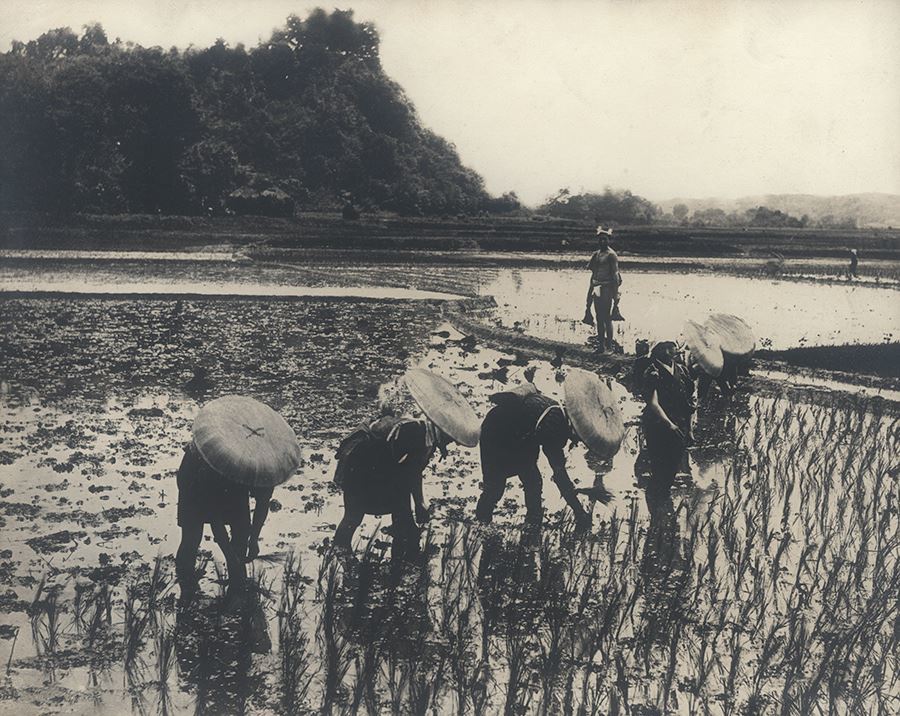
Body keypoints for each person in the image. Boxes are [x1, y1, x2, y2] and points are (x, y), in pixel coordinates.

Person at [333, 414, 450, 561]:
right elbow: (411, 472)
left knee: (404, 521)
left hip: (384, 470)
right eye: (451, 438)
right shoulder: (416, 434)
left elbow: (413, 471)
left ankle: (400, 561)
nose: (453, 443)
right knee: (353, 517)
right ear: (443, 431)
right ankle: (340, 553)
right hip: (360, 467)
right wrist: (419, 504)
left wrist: (419, 503)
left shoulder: (428, 436)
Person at [476, 384, 591, 529]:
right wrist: (579, 512)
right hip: (496, 432)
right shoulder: (553, 426)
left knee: (533, 481)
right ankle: (481, 526)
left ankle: (533, 524)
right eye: (578, 438)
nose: (577, 441)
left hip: (520, 436)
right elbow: (559, 474)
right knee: (495, 486)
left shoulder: (557, 409)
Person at [175, 442, 274, 601]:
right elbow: (214, 513)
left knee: (240, 544)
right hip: (193, 477)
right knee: (191, 538)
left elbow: (262, 504)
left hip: (233, 486)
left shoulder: (267, 468)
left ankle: (237, 590)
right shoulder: (223, 460)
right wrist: (229, 554)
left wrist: (253, 540)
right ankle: (186, 586)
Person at [640, 341, 696, 492]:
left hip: (679, 424)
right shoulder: (652, 372)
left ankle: (662, 499)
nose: (677, 351)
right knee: (659, 466)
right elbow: (653, 403)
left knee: (673, 465)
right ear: (664, 351)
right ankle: (656, 503)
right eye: (673, 349)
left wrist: (689, 429)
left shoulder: (682, 370)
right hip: (658, 425)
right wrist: (669, 424)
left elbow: (689, 402)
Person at [583, 227, 621, 351]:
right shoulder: (596, 254)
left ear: (608, 240)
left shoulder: (611, 255)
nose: (602, 242)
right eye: (600, 239)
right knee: (599, 317)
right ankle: (600, 346)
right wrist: (590, 291)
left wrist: (615, 296)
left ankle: (609, 346)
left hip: (606, 288)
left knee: (607, 318)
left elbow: (615, 275)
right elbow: (593, 273)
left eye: (605, 239)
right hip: (596, 287)